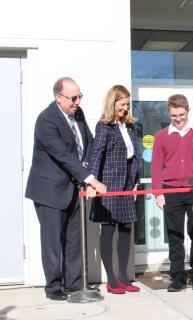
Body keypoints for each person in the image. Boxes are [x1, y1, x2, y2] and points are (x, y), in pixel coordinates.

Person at [25, 77, 106, 300]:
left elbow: (88, 143)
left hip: (74, 189)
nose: (78, 101)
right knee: (53, 241)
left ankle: (74, 284)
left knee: (75, 240)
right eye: (73, 98)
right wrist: (91, 179)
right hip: (49, 191)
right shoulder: (46, 120)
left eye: (80, 96)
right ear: (58, 98)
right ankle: (53, 288)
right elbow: (63, 155)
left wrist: (87, 171)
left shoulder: (77, 114)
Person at [151, 94, 193, 292]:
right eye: (174, 115)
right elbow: (157, 166)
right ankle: (177, 276)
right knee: (175, 235)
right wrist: (158, 192)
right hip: (171, 191)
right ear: (169, 112)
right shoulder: (161, 136)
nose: (178, 118)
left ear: (188, 111)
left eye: (181, 114)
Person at [87, 85, 140, 294]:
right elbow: (97, 154)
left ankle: (124, 277)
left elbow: (133, 157)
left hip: (127, 185)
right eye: (122, 104)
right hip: (108, 185)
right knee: (108, 230)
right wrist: (92, 181)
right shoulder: (104, 126)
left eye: (127, 104)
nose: (125, 108)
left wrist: (134, 181)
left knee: (126, 228)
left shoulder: (130, 127)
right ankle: (111, 280)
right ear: (113, 103)